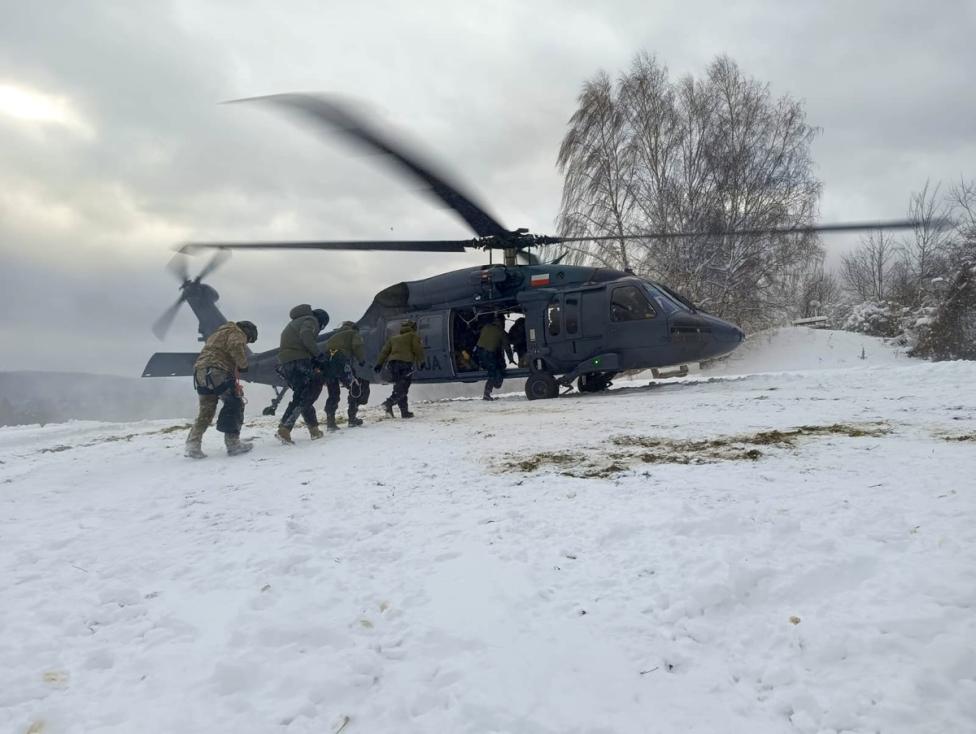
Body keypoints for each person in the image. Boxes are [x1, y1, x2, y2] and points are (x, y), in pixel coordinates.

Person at [185, 320, 258, 459]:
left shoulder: (218, 333)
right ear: (247, 332)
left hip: (200, 373)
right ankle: (233, 444)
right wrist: (243, 365)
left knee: (206, 412)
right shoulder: (236, 332)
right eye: (248, 340)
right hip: (217, 371)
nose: (246, 343)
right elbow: (235, 346)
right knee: (235, 403)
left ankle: (192, 445)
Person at [276, 304, 330, 443]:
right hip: (299, 360)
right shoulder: (311, 320)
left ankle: (314, 430)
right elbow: (306, 335)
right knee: (311, 389)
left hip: (286, 364)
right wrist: (318, 355)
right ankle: (285, 428)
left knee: (303, 395)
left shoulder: (295, 322)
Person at [322, 320, 370, 430]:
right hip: (342, 361)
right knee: (355, 387)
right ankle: (352, 419)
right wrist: (361, 360)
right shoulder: (353, 333)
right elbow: (357, 345)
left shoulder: (334, 336)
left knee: (333, 392)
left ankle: (330, 422)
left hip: (328, 364)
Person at [375, 319, 425, 418]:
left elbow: (384, 352)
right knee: (403, 387)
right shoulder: (413, 336)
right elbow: (417, 349)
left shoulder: (393, 338)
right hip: (405, 364)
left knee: (399, 386)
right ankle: (388, 403)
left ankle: (404, 412)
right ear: (412, 327)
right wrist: (422, 361)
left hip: (392, 365)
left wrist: (379, 364)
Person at [475, 315, 514, 401]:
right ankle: (486, 394)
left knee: (493, 370)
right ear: (502, 322)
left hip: (478, 353)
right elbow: (507, 347)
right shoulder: (501, 332)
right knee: (493, 373)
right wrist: (511, 359)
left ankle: (489, 389)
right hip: (488, 354)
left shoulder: (486, 327)